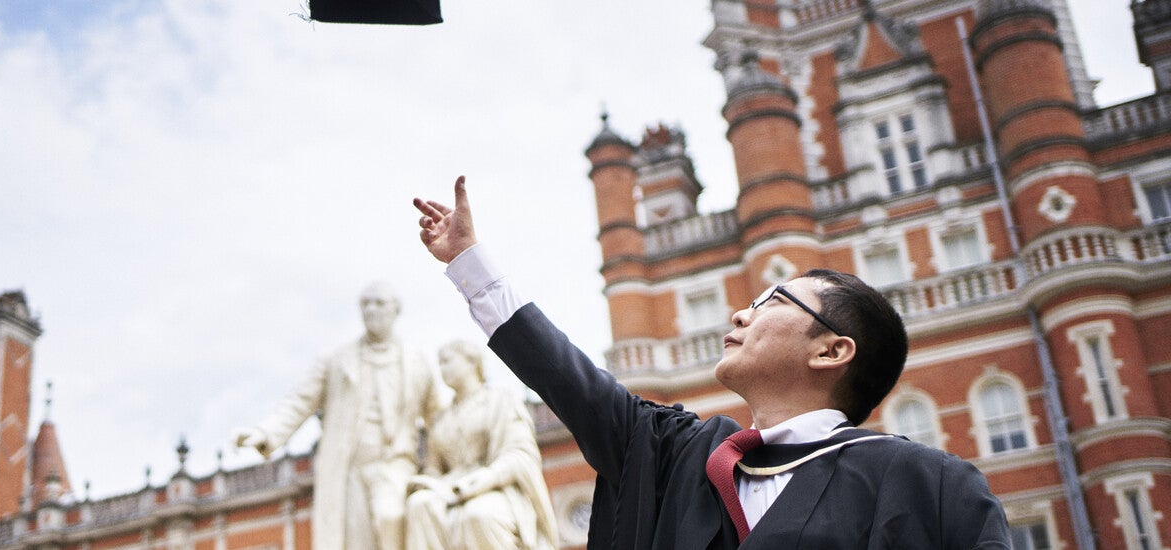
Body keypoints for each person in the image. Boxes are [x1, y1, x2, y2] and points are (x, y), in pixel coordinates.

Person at [411, 176, 1009, 548]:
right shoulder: (681, 456)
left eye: (773, 300)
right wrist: (469, 262)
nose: (741, 315)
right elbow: (572, 382)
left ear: (831, 350)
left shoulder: (928, 486)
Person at [235, 282, 444, 550]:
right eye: (365, 304)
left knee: (389, 516)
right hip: (350, 466)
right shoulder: (337, 361)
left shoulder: (417, 361)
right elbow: (299, 400)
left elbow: (439, 417)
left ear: (395, 309)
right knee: (357, 541)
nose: (371, 310)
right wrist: (265, 433)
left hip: (396, 463)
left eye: (379, 303)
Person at [405, 340, 558, 549]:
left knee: (478, 514)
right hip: (449, 487)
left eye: (447, 361)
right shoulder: (440, 418)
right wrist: (426, 481)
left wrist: (487, 478)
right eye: (439, 364)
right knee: (419, 504)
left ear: (471, 361)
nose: (441, 369)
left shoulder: (501, 400)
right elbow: (434, 466)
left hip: (496, 486)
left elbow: (520, 452)